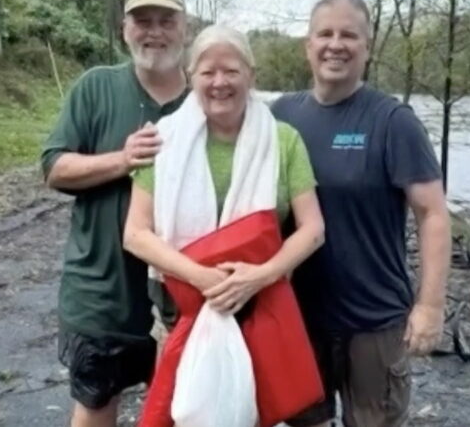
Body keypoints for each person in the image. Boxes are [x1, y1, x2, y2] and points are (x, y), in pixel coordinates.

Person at [123, 25, 325, 425]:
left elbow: (313, 229)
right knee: (192, 409)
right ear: (191, 76)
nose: (219, 83)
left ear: (251, 74)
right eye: (207, 72)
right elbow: (136, 234)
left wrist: (260, 276)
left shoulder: (283, 141)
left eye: (231, 71)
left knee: (259, 404)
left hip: (261, 303)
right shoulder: (164, 140)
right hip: (182, 304)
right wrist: (202, 278)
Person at [271, 0, 452, 427]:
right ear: (308, 46)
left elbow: (433, 214)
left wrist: (430, 306)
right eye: (325, 34)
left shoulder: (393, 121)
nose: (336, 44)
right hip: (299, 314)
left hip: (372, 322)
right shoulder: (280, 116)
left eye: (349, 35)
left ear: (367, 48)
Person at [39, 0, 188, 427]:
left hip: (185, 299)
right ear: (124, 29)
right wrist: (123, 160)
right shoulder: (96, 87)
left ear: (185, 29)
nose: (154, 32)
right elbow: (54, 167)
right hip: (100, 297)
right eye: (142, 20)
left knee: (181, 411)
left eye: (166, 21)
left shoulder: (203, 99)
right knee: (96, 405)